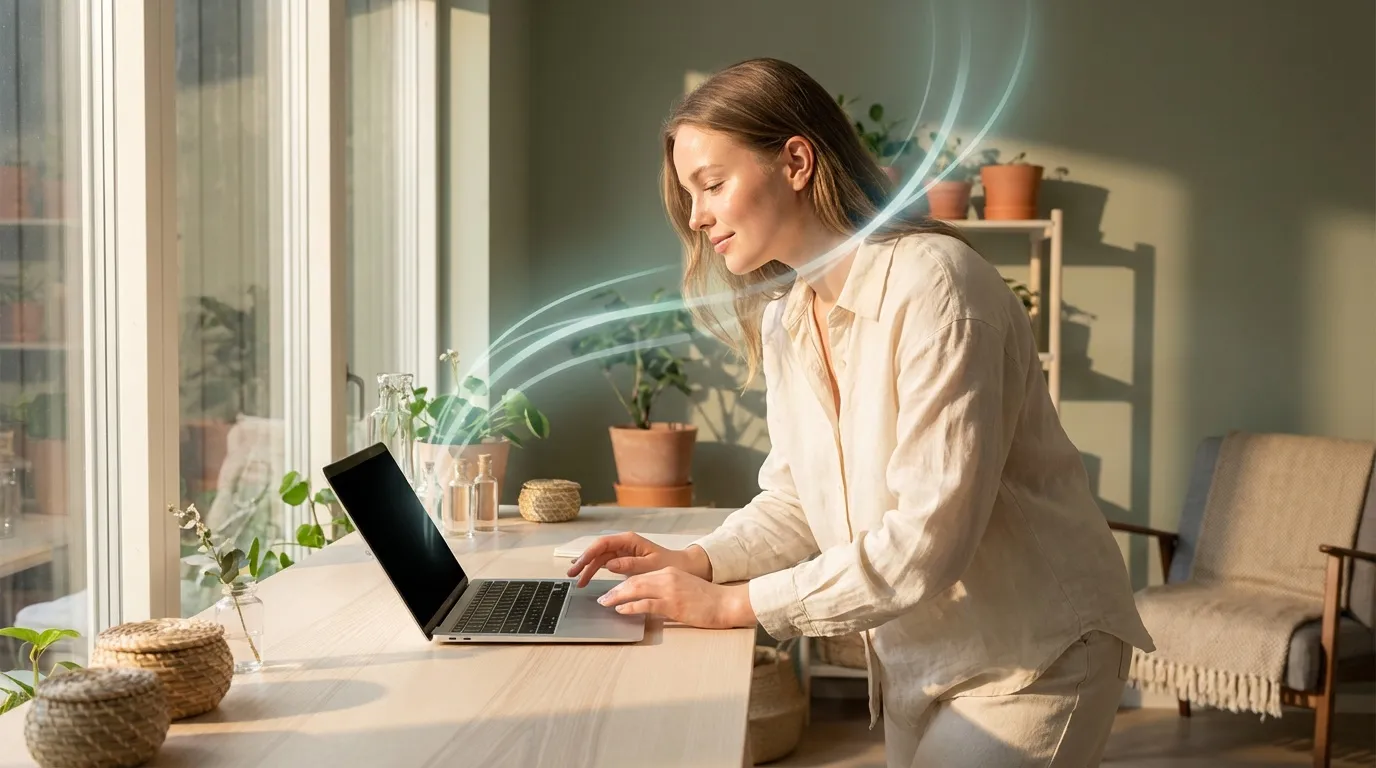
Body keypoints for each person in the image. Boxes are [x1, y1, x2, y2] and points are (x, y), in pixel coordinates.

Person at [566, 57, 1154, 767]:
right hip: (922, 659)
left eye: (712, 184)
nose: (696, 217)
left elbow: (925, 542)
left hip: (1034, 658)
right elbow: (794, 501)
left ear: (795, 160)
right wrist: (694, 562)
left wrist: (732, 606)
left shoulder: (936, 284)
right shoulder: (789, 316)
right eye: (691, 196)